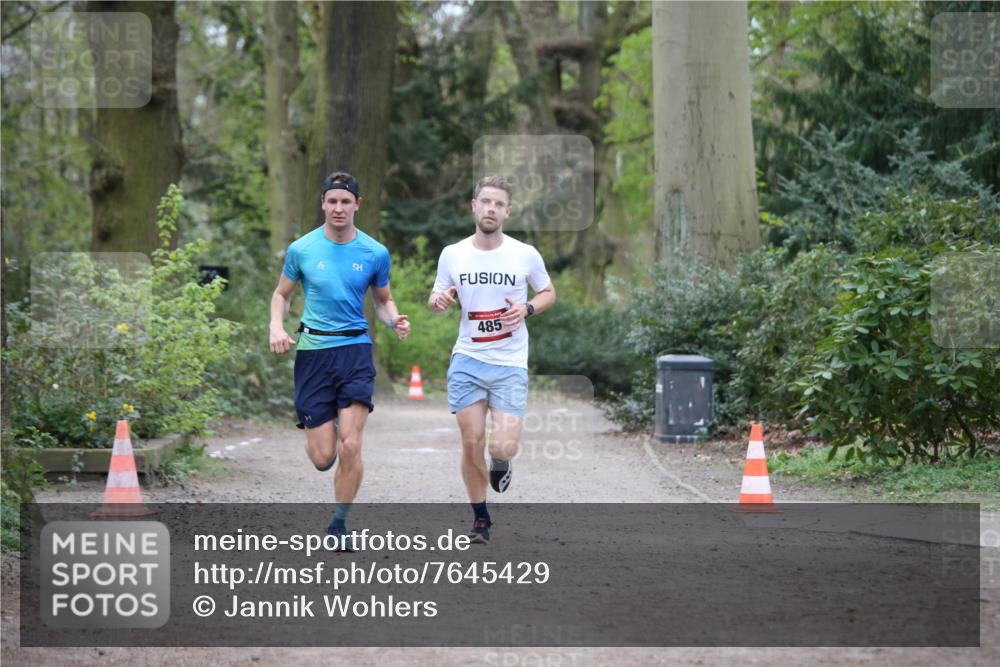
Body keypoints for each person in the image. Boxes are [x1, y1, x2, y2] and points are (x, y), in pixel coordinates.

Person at [270, 171, 410, 548]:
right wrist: (276, 327)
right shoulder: (302, 249)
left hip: (354, 351)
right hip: (313, 353)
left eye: (345, 201)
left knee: (350, 446)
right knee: (322, 457)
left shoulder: (374, 253)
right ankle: (324, 430)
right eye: (332, 201)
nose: (338, 208)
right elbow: (282, 294)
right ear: (323, 203)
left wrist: (394, 320)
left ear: (357, 205)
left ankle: (339, 524)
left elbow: (383, 300)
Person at [428, 175, 555, 544]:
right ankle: (480, 518)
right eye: (486, 202)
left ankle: (501, 461)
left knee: (502, 446)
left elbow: (548, 291)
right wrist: (439, 301)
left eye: (499, 204)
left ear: (507, 211)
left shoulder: (524, 253)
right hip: (467, 359)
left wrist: (527, 308)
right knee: (471, 442)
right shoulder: (453, 254)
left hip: (510, 363)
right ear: (474, 206)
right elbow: (436, 297)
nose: (491, 209)